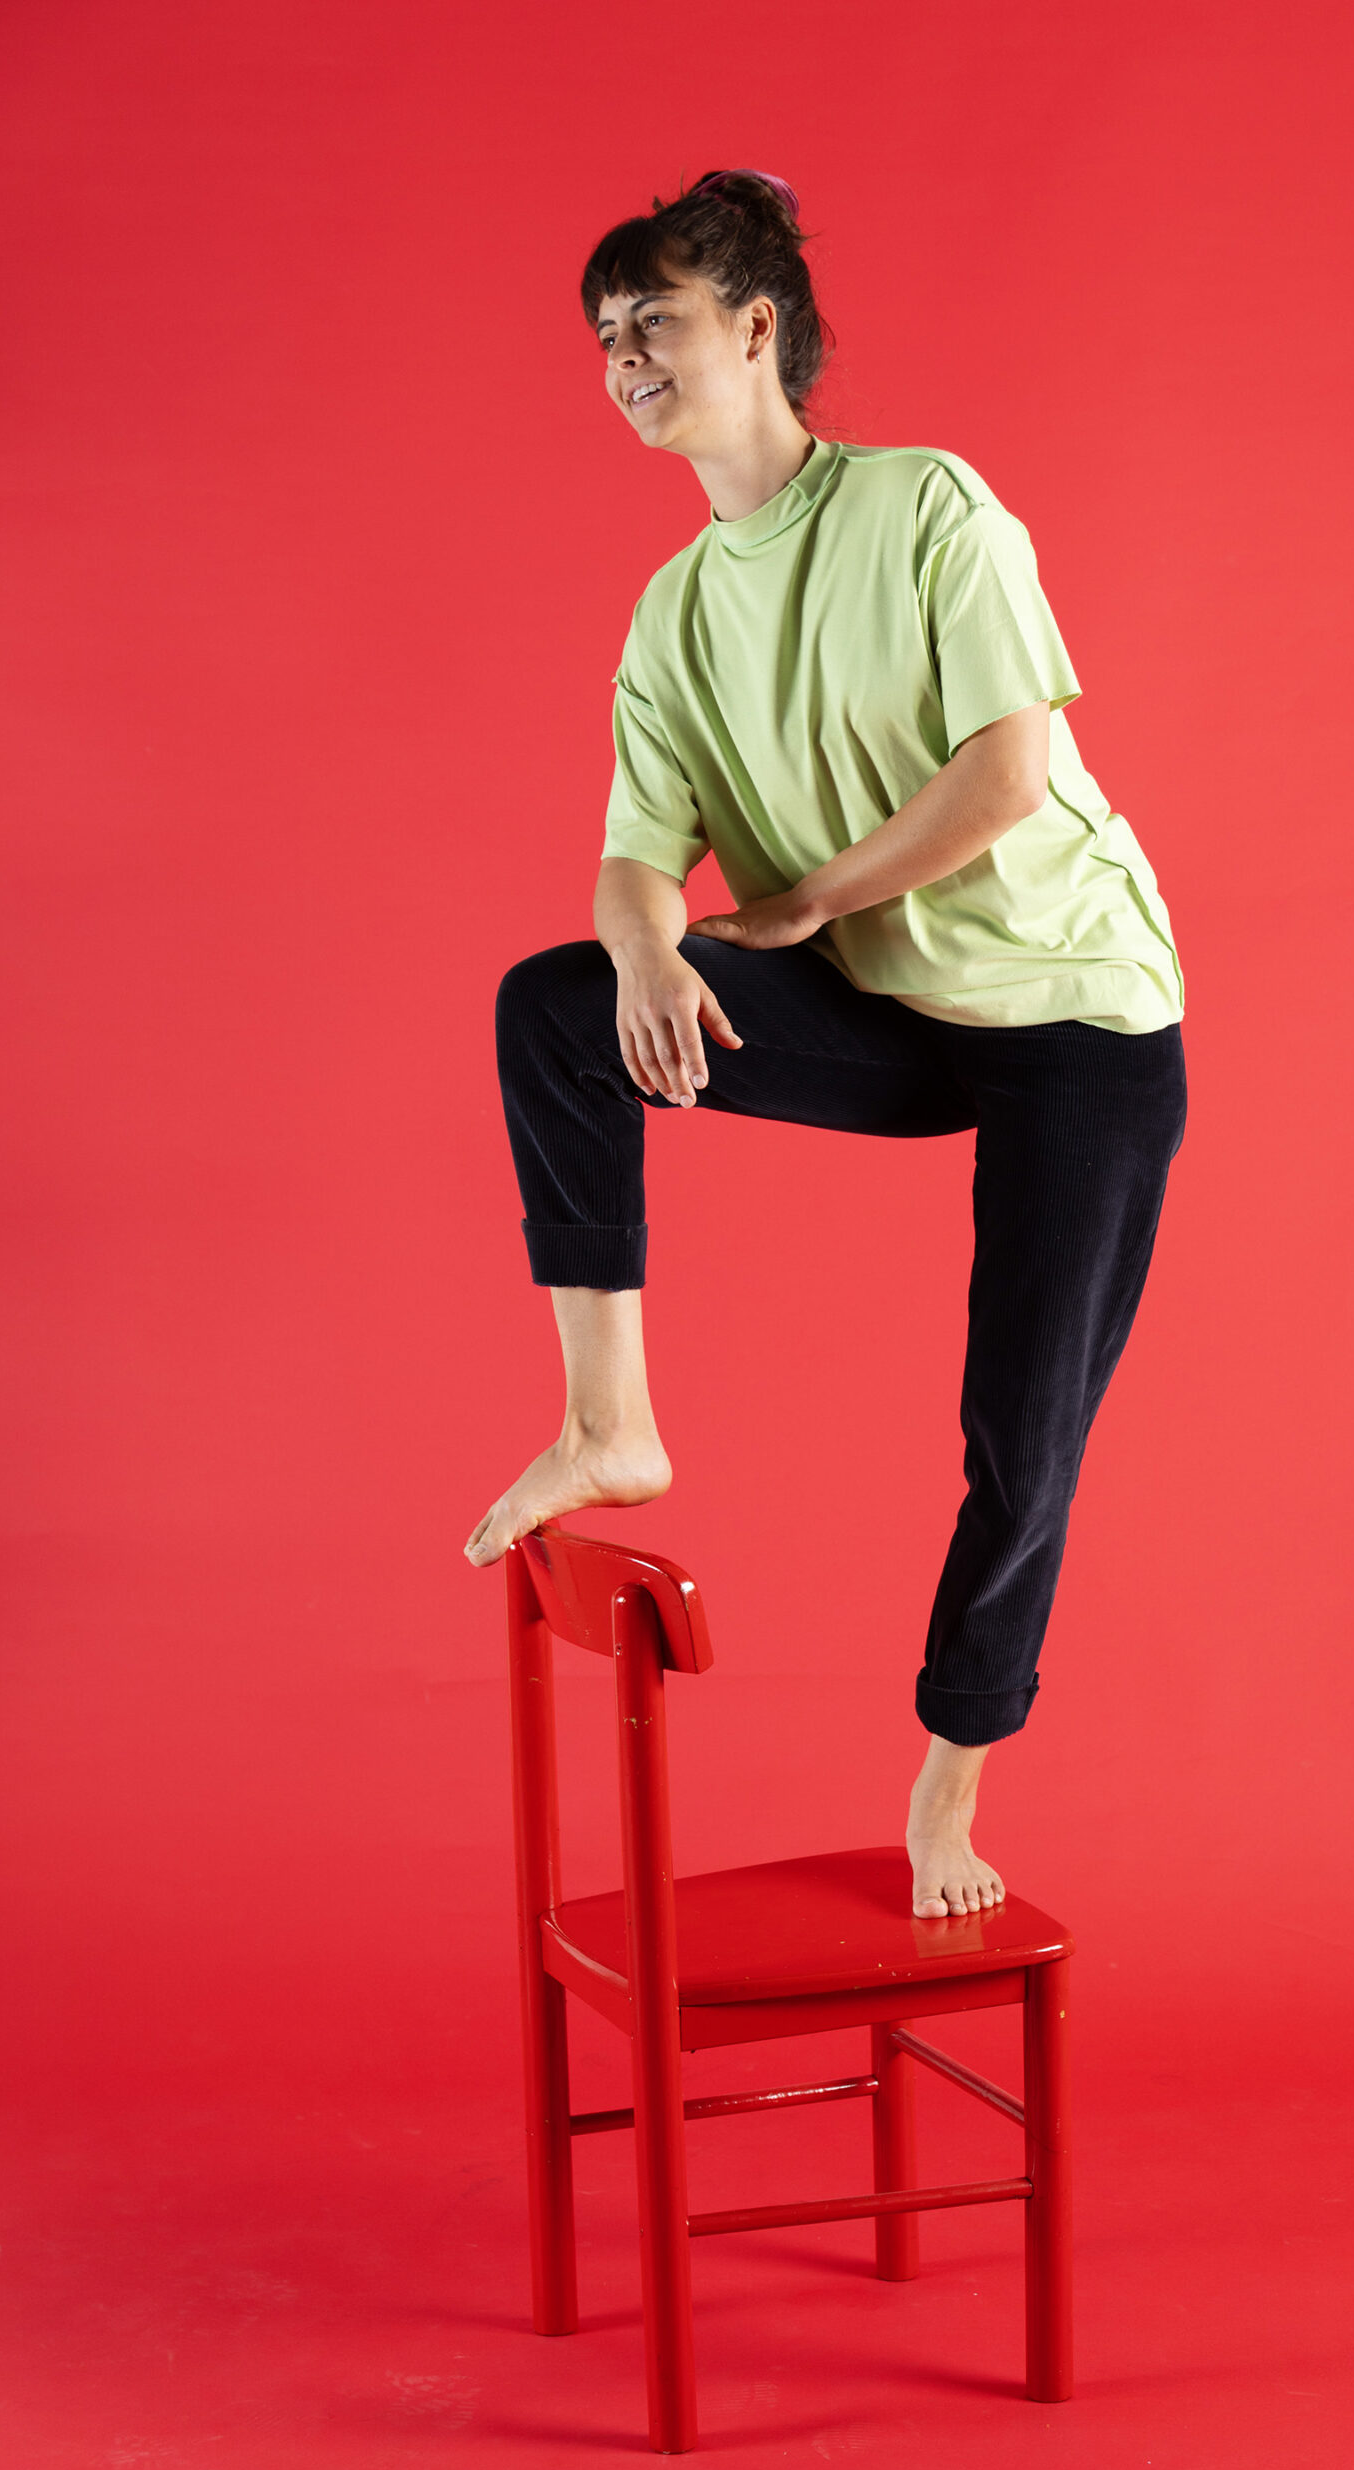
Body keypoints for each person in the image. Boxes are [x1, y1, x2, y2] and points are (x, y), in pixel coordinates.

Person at [465, 168, 1187, 1921]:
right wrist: (649, 945)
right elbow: (636, 856)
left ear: (757, 327)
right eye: (606, 337)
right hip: (897, 1014)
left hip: (1078, 1015)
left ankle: (950, 1782)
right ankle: (611, 1421)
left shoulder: (926, 505)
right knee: (557, 1004)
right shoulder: (673, 612)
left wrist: (796, 907)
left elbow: (1007, 773)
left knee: (1023, 1432)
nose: (627, 359)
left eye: (656, 321)